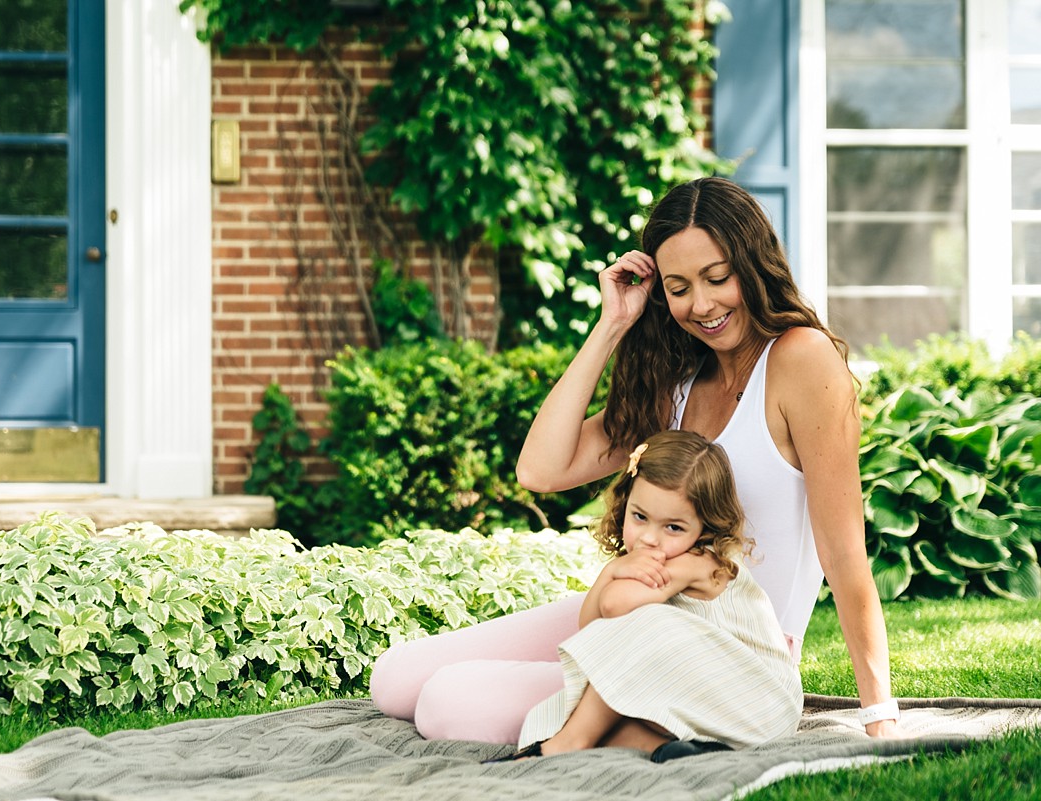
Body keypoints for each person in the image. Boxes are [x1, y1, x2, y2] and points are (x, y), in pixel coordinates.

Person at [370, 176, 901, 745]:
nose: (701, 305)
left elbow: (844, 552)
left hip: (722, 654)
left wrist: (880, 717)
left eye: (718, 278)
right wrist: (612, 324)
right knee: (395, 679)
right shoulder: (675, 383)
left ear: (754, 265)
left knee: (448, 705)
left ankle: (609, 715)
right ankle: (603, 705)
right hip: (643, 612)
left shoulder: (801, 360)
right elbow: (540, 471)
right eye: (677, 288)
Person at [487, 429, 802, 762]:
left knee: (648, 622)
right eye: (640, 517)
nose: (651, 538)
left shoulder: (703, 561)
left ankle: (566, 745)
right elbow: (592, 627)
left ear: (706, 529)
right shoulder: (654, 559)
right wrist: (612, 571)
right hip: (711, 705)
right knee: (554, 716)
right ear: (626, 504)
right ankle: (681, 751)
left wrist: (614, 574)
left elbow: (613, 606)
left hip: (762, 701)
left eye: (673, 527)